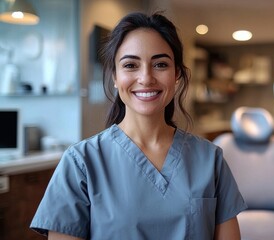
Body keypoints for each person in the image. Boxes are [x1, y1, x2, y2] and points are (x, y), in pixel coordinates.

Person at [30, 12, 247, 239]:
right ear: (115, 76)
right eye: (131, 65)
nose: (146, 78)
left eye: (160, 64)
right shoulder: (81, 163)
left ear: (177, 75)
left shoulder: (210, 160)